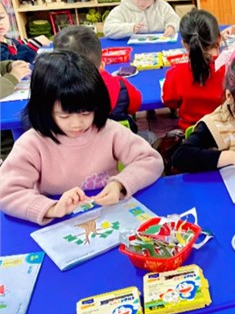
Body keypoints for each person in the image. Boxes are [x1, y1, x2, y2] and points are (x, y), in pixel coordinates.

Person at [0, 52, 164, 225]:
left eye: (86, 113)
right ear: (44, 110)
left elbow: (151, 160)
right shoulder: (32, 143)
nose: (77, 124)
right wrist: (52, 208)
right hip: (60, 223)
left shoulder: (109, 130)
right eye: (64, 116)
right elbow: (7, 192)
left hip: (109, 216)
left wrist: (120, 184)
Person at [54, 26, 142, 131]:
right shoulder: (120, 86)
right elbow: (135, 105)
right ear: (102, 65)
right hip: (117, 138)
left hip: (75, 140)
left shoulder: (49, 91)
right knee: (149, 136)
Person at [161, 9, 225, 130]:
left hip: (192, 133)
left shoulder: (177, 73)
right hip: (227, 133)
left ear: (184, 44)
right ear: (219, 39)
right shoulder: (233, 69)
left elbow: (169, 101)